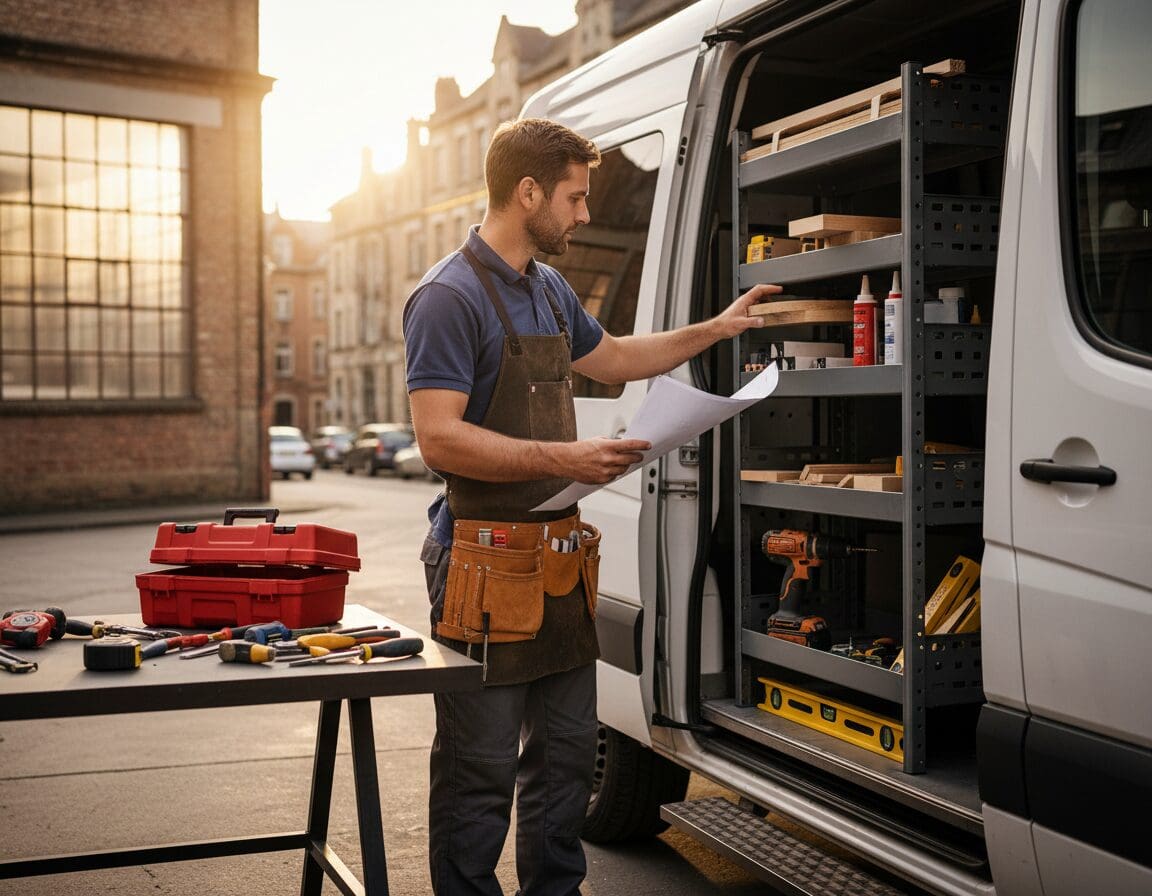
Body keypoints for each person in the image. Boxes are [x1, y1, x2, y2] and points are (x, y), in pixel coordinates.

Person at [403, 117, 780, 896]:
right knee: (479, 772)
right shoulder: (447, 297)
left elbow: (613, 359)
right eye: (574, 198)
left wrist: (717, 329)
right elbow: (438, 438)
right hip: (481, 567)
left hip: (556, 563)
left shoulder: (547, 288)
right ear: (527, 192)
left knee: (567, 760)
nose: (584, 213)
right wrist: (563, 459)